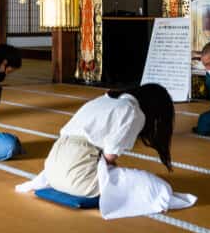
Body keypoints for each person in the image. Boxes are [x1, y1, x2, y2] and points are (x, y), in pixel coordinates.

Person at [42, 83, 175, 198]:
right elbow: (109, 157)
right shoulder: (133, 111)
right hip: (80, 180)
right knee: (159, 188)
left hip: (51, 171)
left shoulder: (100, 100)